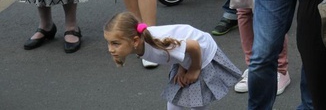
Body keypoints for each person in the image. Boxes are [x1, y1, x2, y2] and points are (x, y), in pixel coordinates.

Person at [103, 12, 241, 109]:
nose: (110, 49)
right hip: (186, 56)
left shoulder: (160, 45)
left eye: (115, 43)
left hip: (201, 54)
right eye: (108, 43)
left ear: (135, 41)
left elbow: (194, 46)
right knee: (174, 98)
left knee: (197, 102)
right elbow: (179, 49)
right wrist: (182, 67)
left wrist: (193, 69)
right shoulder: (146, 42)